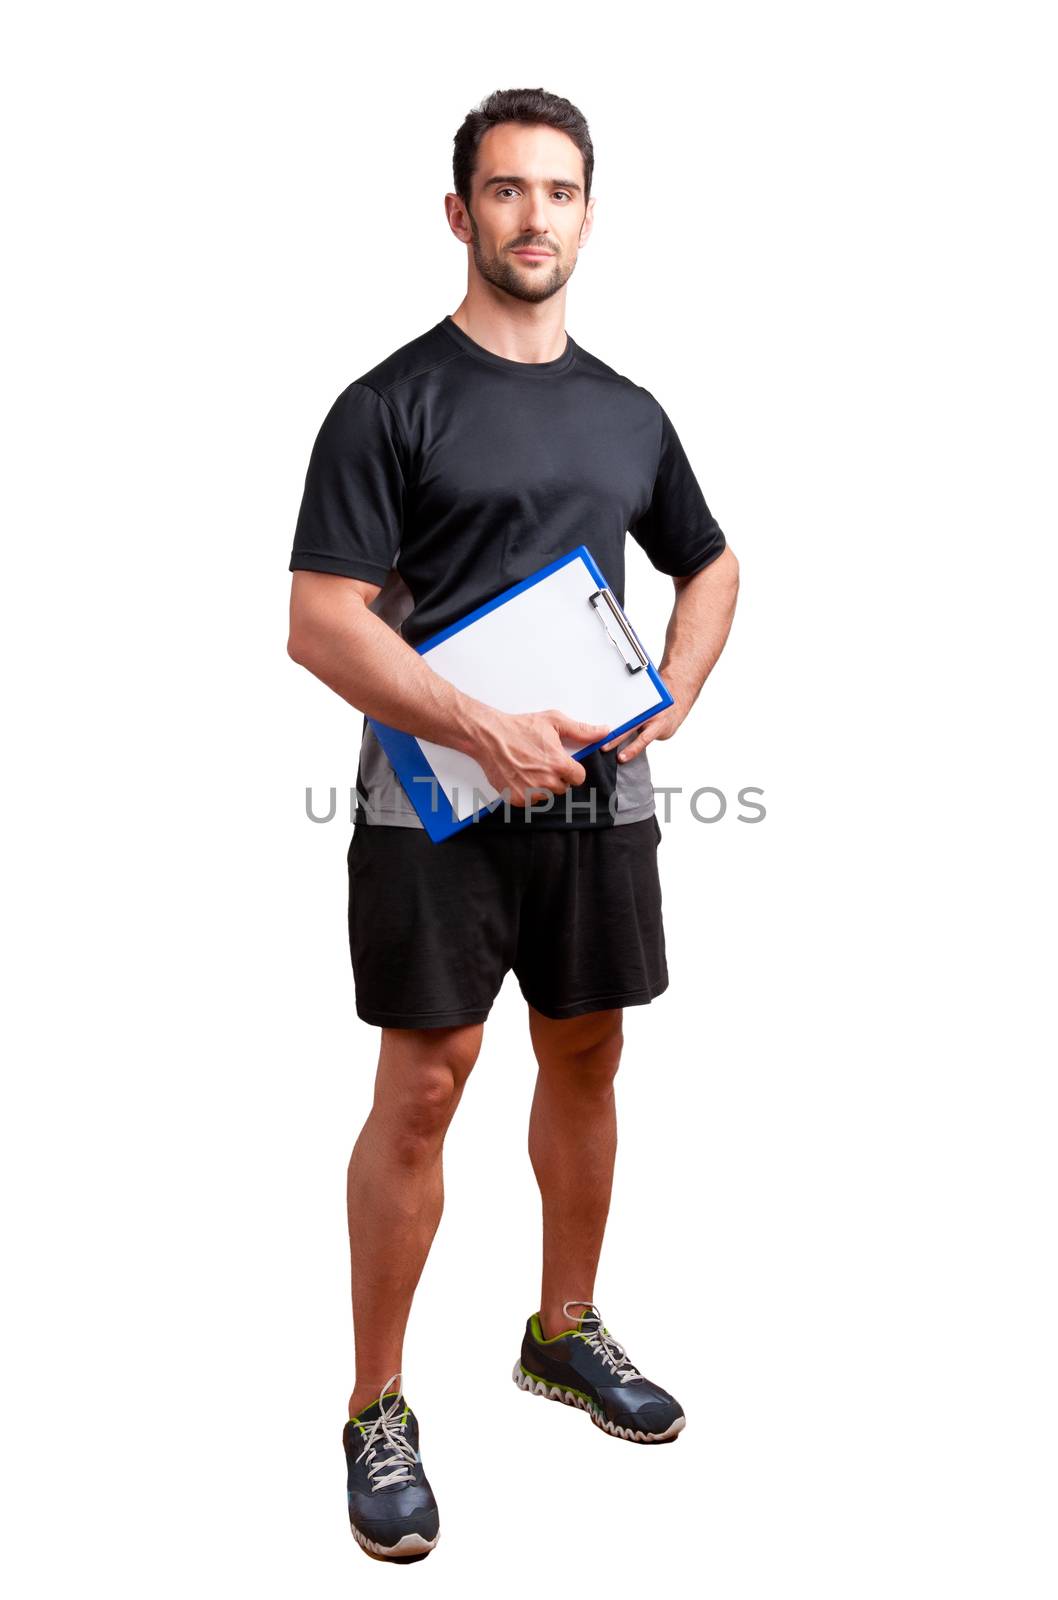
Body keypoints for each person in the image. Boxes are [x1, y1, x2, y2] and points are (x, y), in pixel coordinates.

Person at [287, 86, 740, 1563]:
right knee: (426, 1086)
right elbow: (319, 624)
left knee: (589, 1045)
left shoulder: (629, 411)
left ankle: (563, 1331)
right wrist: (474, 726)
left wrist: (671, 690)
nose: (532, 216)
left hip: (594, 800)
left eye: (558, 190)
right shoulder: (387, 403)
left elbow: (715, 566)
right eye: (504, 190)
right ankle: (375, 1408)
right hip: (426, 798)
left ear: (588, 211)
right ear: (458, 213)